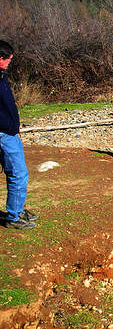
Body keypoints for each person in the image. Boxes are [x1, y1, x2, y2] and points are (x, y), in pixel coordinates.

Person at [0, 40, 38, 230]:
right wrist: (8, 127)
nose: (10, 62)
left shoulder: (1, 75)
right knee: (18, 173)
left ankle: (17, 209)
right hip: (4, 134)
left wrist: (16, 127)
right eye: (8, 59)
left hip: (10, 132)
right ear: (0, 58)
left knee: (16, 172)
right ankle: (14, 217)